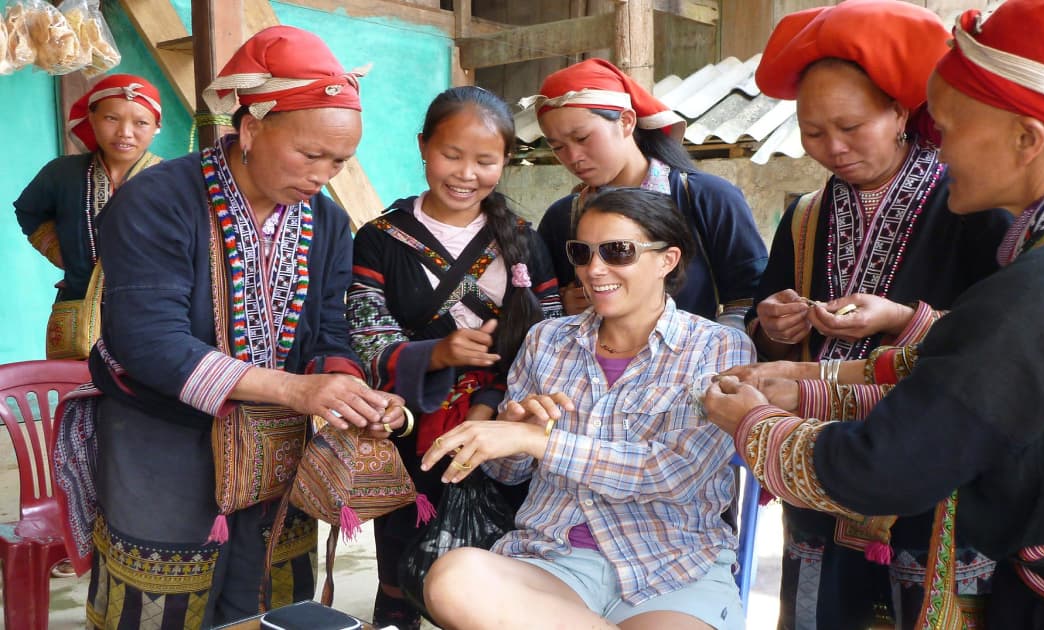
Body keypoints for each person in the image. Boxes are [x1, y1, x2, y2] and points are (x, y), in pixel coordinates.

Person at [705, 0, 1044, 627]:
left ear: (1028, 138)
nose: (940, 145)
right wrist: (808, 382)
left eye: (951, 125)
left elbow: (887, 469)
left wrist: (753, 423)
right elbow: (974, 374)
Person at [51, 26, 411, 629]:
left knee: (263, 598)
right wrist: (296, 390)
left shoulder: (324, 220)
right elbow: (148, 343)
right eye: (310, 154)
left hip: (275, 449)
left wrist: (348, 392)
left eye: (340, 161)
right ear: (250, 129)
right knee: (158, 604)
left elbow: (328, 331)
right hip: (161, 442)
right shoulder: (158, 200)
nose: (324, 174)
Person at [741, 2, 1011, 627]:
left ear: (899, 112)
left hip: (933, 475)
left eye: (851, 126)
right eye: (812, 131)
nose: (830, 148)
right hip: (818, 465)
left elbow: (1009, 344)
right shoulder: (805, 215)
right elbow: (769, 319)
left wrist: (900, 319)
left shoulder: (971, 204)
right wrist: (776, 326)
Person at [419, 187, 754, 630]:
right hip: (551, 562)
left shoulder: (719, 347)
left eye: (618, 252)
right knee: (452, 578)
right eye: (582, 252)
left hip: (675, 568)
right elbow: (509, 475)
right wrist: (518, 434)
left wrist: (541, 441)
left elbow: (672, 474)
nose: (594, 270)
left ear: (667, 260)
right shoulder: (546, 340)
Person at [347, 85, 562, 629]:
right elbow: (365, 336)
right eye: (451, 154)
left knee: (499, 562)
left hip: (508, 430)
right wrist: (436, 352)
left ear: (506, 161)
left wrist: (495, 404)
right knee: (404, 553)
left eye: (486, 160)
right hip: (412, 427)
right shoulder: (380, 239)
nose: (466, 173)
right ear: (423, 146)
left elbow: (556, 339)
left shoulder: (523, 241)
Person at [524, 58, 768, 327]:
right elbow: (537, 300)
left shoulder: (708, 198)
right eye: (557, 147)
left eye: (582, 138)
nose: (572, 157)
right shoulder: (563, 217)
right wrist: (562, 305)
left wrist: (715, 348)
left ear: (626, 121)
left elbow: (752, 299)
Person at [14, 74, 163, 304]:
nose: (125, 132)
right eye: (111, 118)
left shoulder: (173, 180)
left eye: (141, 122)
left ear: (156, 127)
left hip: (154, 312)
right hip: (79, 309)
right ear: (92, 118)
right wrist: (61, 253)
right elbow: (28, 211)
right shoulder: (62, 173)